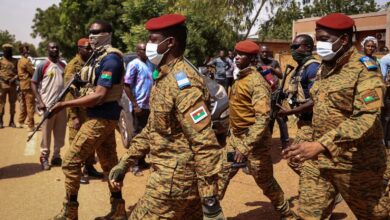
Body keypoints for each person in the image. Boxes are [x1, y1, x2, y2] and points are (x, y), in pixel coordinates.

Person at [108, 14, 225, 219]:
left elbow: (204, 142)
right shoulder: (164, 76)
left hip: (173, 183)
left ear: (169, 43)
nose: (148, 45)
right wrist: (125, 162)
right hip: (174, 178)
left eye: (153, 40)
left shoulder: (183, 83)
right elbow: (153, 129)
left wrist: (209, 199)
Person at [282, 13, 390, 219]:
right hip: (320, 161)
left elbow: (366, 118)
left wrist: (322, 144)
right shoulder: (325, 66)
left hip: (357, 163)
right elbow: (322, 102)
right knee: (308, 215)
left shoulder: (367, 69)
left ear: (344, 40)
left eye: (325, 39)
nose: (319, 45)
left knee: (376, 215)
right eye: (318, 39)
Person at [50, 20, 126, 219]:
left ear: (108, 33)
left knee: (70, 162)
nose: (92, 36)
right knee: (109, 165)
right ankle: (118, 211)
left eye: (96, 32)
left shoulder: (111, 59)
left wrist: (64, 105)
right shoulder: (97, 58)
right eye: (90, 32)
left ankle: (70, 212)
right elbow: (90, 86)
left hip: (101, 119)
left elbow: (100, 95)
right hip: (101, 117)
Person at [218, 40, 294, 219]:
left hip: (254, 144)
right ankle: (210, 213)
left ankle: (287, 214)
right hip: (235, 139)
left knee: (266, 182)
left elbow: (262, 119)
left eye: (241, 55)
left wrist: (245, 147)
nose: (237, 57)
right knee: (220, 175)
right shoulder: (240, 79)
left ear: (252, 59)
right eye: (236, 53)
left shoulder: (256, 83)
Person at [63, 38, 103, 184]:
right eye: (87, 48)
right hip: (77, 111)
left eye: (91, 48)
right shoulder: (73, 66)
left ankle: (89, 166)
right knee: (76, 141)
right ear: (79, 49)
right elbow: (68, 92)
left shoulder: (91, 63)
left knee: (90, 139)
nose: (90, 50)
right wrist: (73, 116)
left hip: (88, 109)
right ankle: (76, 171)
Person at [278, 34, 320, 174]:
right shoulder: (299, 68)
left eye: (296, 47)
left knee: (294, 158)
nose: (293, 50)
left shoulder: (313, 67)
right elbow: (295, 94)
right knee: (311, 160)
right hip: (302, 122)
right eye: (292, 47)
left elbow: (316, 100)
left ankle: (319, 187)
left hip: (312, 123)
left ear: (308, 47)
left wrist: (289, 112)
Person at [31, 42, 67, 170]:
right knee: (46, 133)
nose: (55, 49)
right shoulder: (43, 65)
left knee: (60, 133)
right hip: (47, 106)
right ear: (47, 50)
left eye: (57, 47)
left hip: (62, 106)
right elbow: (33, 83)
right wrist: (40, 102)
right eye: (52, 47)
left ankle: (56, 156)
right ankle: (44, 157)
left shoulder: (63, 65)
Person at [123, 42, 154, 176]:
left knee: (146, 134)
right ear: (138, 51)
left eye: (147, 50)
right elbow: (127, 86)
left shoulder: (150, 64)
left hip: (149, 106)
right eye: (143, 50)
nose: (146, 52)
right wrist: (135, 105)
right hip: (139, 106)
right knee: (136, 135)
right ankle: (133, 164)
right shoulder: (134, 64)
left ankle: (141, 161)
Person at [258, 45, 289, 148]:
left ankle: (285, 142)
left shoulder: (274, 62)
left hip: (276, 93)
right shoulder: (256, 63)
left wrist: (272, 69)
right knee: (268, 118)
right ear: (259, 52)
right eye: (263, 52)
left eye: (266, 52)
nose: (265, 54)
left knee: (281, 117)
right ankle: (268, 140)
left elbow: (281, 75)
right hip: (262, 95)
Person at [17, 45, 35, 131]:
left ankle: (20, 122)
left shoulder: (20, 60)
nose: (27, 52)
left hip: (22, 85)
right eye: (26, 51)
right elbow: (32, 71)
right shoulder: (26, 61)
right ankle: (31, 125)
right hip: (28, 85)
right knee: (30, 105)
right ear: (24, 52)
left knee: (24, 104)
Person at [0, 43, 18, 128]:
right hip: (2, 85)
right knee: (1, 103)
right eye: (5, 50)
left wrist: (15, 78)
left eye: (9, 50)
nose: (7, 51)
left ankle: (11, 121)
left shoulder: (15, 61)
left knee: (12, 103)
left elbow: (19, 72)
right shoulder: (1, 60)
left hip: (12, 85)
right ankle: (0, 121)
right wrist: (4, 78)